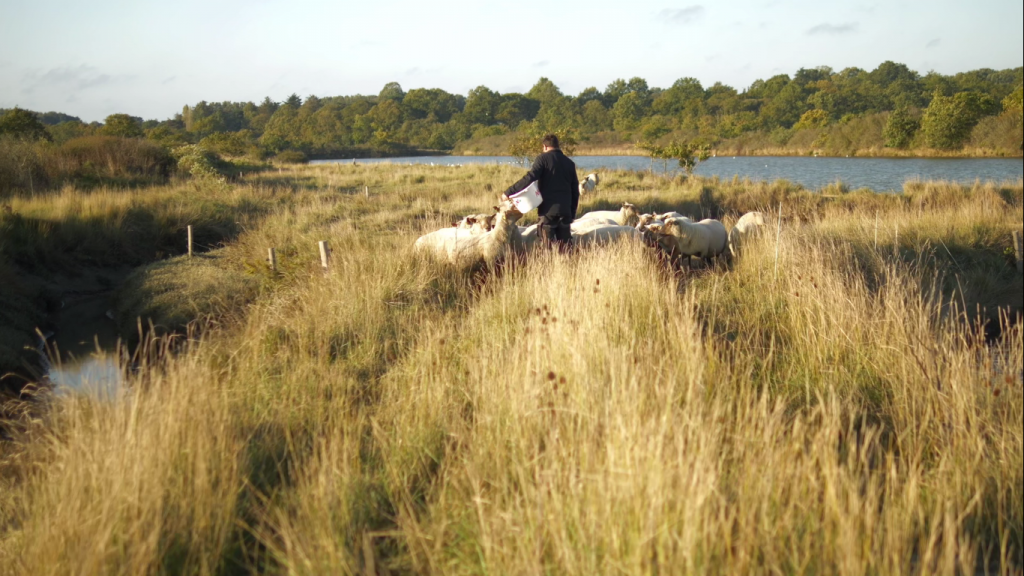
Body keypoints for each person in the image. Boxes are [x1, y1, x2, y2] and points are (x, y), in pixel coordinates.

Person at [502, 134, 580, 249]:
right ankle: (566, 260)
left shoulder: (543, 159)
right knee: (565, 247)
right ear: (558, 146)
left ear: (545, 146)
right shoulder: (569, 163)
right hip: (565, 210)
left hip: (548, 210)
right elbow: (575, 191)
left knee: (546, 246)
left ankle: (548, 260)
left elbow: (530, 177)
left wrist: (509, 192)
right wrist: (572, 213)